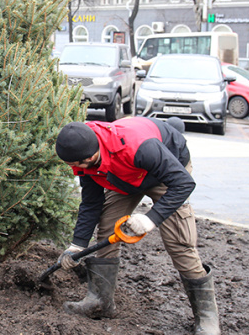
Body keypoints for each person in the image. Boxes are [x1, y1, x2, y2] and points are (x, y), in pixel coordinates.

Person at [54, 118, 220, 335]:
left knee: (179, 243)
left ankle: (207, 318)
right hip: (123, 174)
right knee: (108, 228)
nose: (73, 169)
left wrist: (151, 218)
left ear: (91, 156)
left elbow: (183, 184)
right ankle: (100, 302)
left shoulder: (139, 147)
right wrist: (77, 245)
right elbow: (91, 203)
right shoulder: (83, 152)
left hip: (166, 173)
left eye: (74, 165)